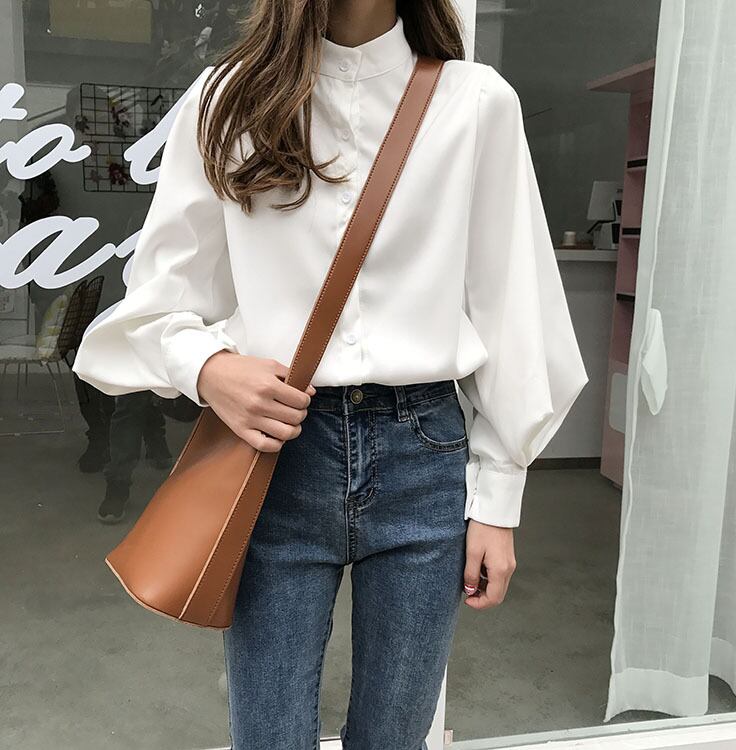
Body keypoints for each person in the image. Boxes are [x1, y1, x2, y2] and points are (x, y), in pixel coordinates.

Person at [72, 1, 589, 748]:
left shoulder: (476, 103)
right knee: (268, 735)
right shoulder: (229, 99)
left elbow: (514, 310)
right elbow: (156, 303)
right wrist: (210, 368)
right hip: (277, 454)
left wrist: (499, 497)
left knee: (396, 738)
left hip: (423, 456)